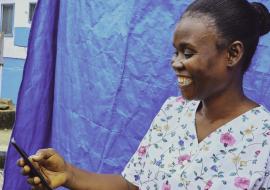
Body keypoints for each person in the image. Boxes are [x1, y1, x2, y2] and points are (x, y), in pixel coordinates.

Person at [18, 0, 270, 189]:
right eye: (176, 52)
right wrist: (68, 174)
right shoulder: (173, 112)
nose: (176, 63)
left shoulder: (263, 139)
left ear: (233, 54)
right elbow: (132, 185)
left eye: (188, 53)